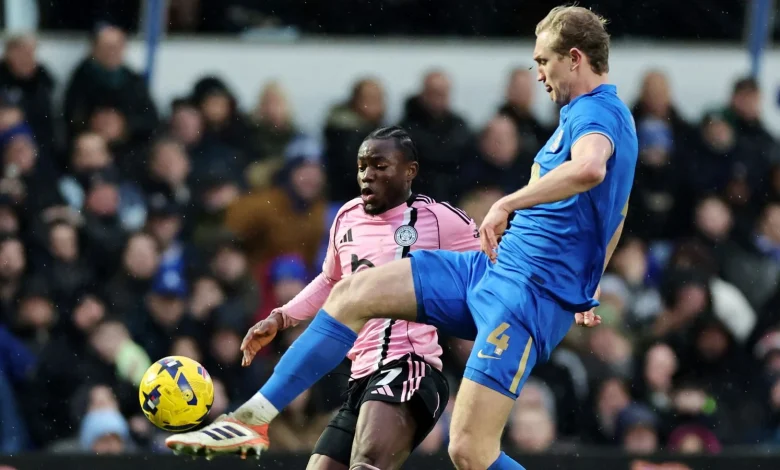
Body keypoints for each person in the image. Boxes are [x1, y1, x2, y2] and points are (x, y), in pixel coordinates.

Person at [167, 6, 638, 470]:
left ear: (574, 58)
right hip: (494, 269)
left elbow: (591, 168)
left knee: (470, 452)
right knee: (354, 292)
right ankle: (251, 420)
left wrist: (507, 203)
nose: (537, 73)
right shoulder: (583, 113)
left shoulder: (599, 112)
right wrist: (591, 282)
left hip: (527, 297)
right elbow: (615, 212)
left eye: (543, 60)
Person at [167, 126, 481, 469]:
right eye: (362, 166)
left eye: (380, 166)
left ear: (410, 171)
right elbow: (331, 281)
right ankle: (250, 420)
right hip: (360, 377)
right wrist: (282, 316)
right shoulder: (346, 217)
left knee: (367, 465)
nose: (368, 176)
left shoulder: (440, 220)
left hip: (409, 367)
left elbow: (488, 270)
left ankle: (249, 420)